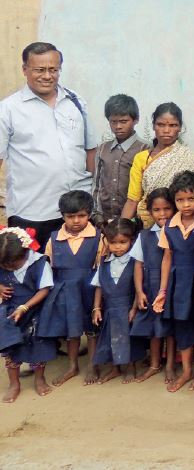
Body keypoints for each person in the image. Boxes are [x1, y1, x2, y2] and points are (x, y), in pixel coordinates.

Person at [1, 42, 98, 248]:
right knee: (31, 275)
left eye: (53, 70)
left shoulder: (75, 102)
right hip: (32, 213)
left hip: (76, 213)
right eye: (40, 70)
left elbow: (90, 149)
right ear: (25, 70)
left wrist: (89, 195)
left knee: (73, 275)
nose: (47, 76)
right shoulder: (8, 109)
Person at [156, 171, 194, 393]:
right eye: (180, 200)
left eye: (191, 199)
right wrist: (163, 290)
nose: (186, 204)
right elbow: (167, 258)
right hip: (178, 285)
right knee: (182, 326)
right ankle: (187, 369)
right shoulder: (169, 227)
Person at [37, 190, 104, 386]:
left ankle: (93, 364)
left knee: (92, 329)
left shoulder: (98, 237)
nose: (76, 221)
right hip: (65, 290)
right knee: (71, 330)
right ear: (63, 216)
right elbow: (47, 266)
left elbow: (101, 268)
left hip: (89, 289)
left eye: (81, 216)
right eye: (70, 216)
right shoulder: (54, 238)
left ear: (89, 214)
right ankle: (72, 366)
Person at [121, 103, 194, 228]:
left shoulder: (190, 158)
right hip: (150, 223)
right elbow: (132, 200)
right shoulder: (141, 158)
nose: (166, 130)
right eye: (161, 125)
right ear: (153, 126)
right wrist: (120, 230)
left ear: (180, 127)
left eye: (173, 125)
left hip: (183, 225)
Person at [0, 227, 54, 402]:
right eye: (4, 266)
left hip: (34, 312)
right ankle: (14, 383)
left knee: (37, 346)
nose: (8, 268)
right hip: (9, 313)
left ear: (25, 253)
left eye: (13, 265)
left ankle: (39, 378)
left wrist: (24, 307)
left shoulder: (39, 263)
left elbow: (44, 289)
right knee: (11, 348)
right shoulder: (4, 259)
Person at [89, 217, 145, 384]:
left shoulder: (135, 263)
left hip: (127, 307)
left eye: (123, 242)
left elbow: (138, 288)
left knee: (129, 339)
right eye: (113, 242)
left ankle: (130, 368)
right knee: (110, 337)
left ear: (132, 241)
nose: (118, 246)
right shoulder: (104, 263)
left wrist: (134, 308)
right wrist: (96, 308)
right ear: (107, 242)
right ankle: (115, 369)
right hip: (110, 309)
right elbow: (99, 286)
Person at [129, 188, 175, 383]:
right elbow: (138, 264)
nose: (162, 214)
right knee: (154, 328)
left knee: (172, 327)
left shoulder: (177, 231)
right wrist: (139, 291)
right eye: (156, 210)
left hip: (173, 285)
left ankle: (171, 365)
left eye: (167, 209)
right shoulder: (144, 236)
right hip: (151, 285)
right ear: (149, 211)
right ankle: (155, 364)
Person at [92, 94, 150, 218]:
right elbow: (97, 185)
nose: (118, 126)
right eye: (113, 122)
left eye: (124, 121)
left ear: (136, 120)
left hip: (134, 220)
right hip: (105, 219)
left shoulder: (145, 149)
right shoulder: (102, 149)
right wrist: (97, 216)